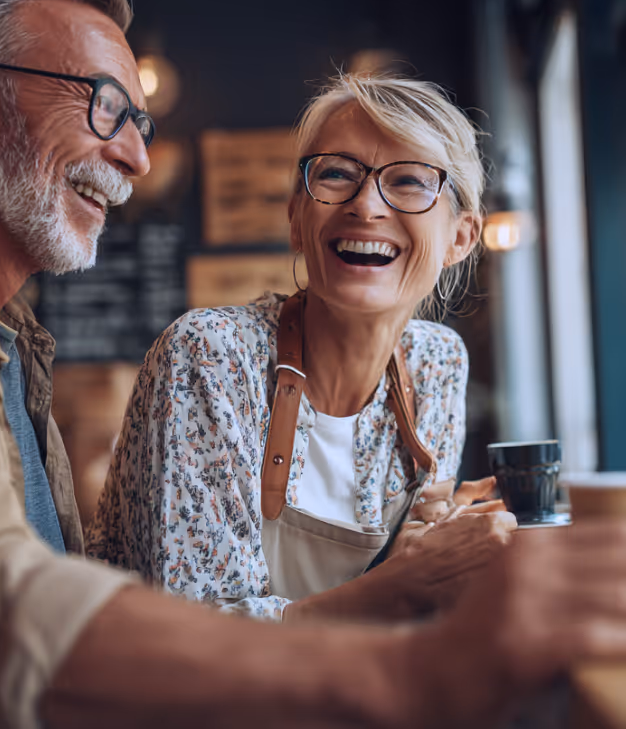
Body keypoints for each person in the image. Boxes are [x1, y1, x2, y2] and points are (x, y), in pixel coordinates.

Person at [0, 0, 626, 729]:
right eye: (104, 104)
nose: (136, 156)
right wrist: (414, 669)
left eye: (137, 120)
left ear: (461, 237)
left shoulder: (6, 338)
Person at [86, 74, 516, 621]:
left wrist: (439, 541)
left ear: (460, 237)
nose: (366, 206)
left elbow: (407, 597)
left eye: (409, 181)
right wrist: (404, 582)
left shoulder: (438, 363)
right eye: (336, 174)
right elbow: (197, 641)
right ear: (296, 218)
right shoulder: (211, 356)